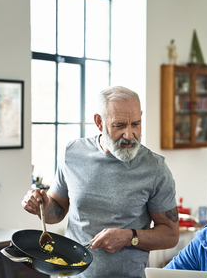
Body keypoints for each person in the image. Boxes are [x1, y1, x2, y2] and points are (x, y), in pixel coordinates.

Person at [22, 86, 180, 278]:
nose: (129, 135)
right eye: (119, 125)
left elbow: (170, 235)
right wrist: (43, 206)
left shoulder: (155, 168)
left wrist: (129, 237)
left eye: (136, 124)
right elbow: (56, 213)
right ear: (99, 122)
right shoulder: (72, 153)